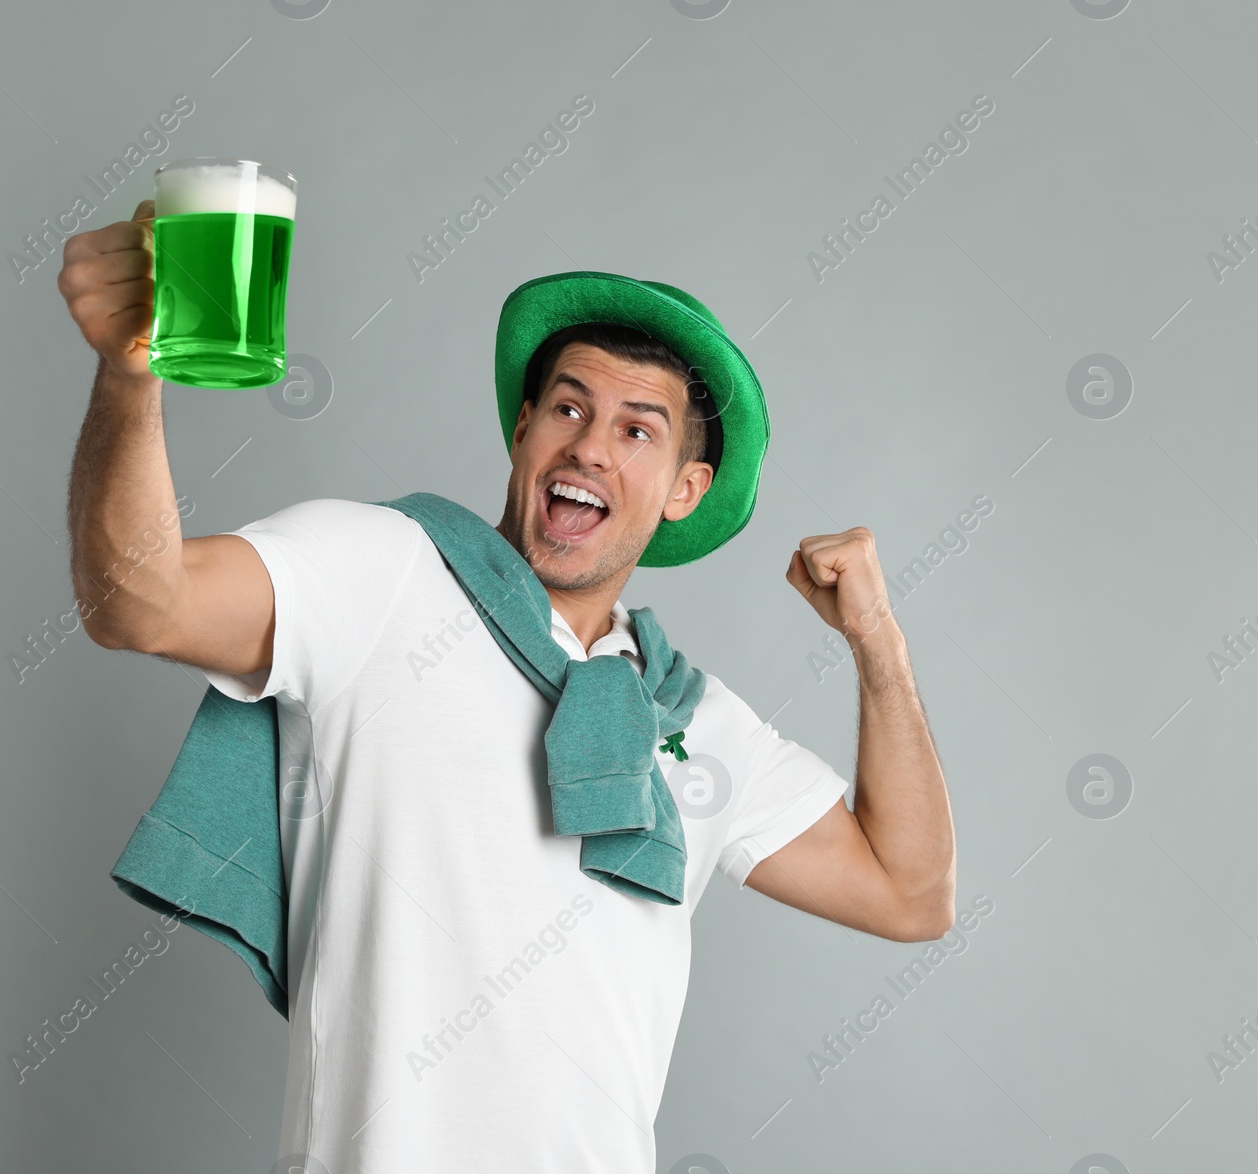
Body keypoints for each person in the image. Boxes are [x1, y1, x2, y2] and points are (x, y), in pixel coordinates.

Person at [58, 199, 955, 1173]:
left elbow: (910, 893)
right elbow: (136, 601)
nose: (589, 447)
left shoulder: (685, 718)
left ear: (685, 489)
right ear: (524, 429)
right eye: (568, 408)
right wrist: (127, 377)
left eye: (637, 430)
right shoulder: (385, 571)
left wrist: (877, 643)